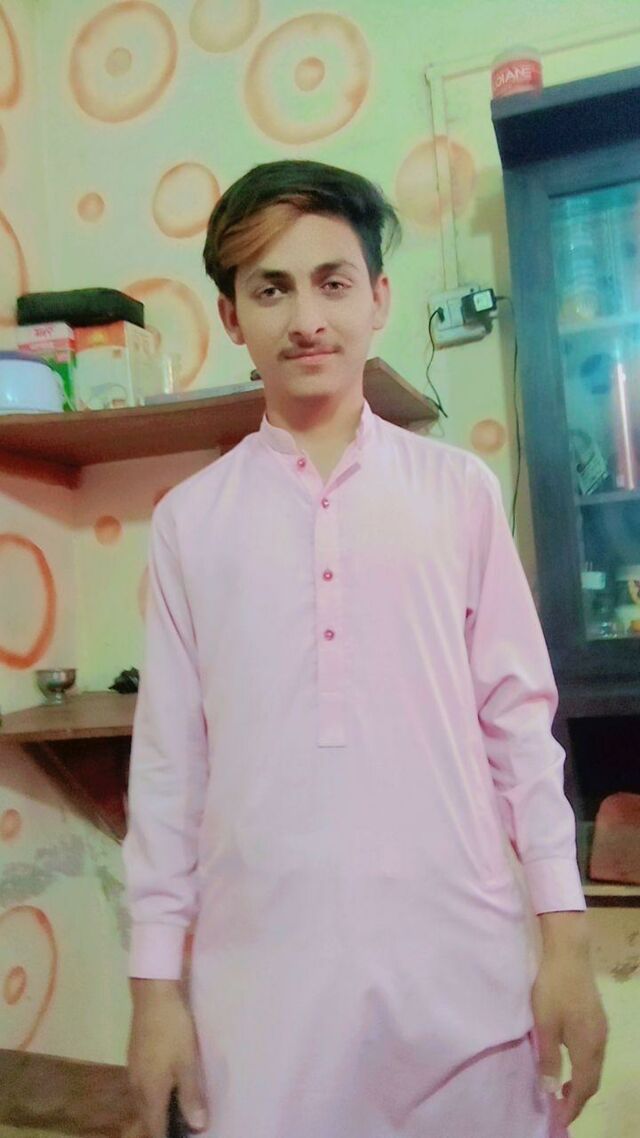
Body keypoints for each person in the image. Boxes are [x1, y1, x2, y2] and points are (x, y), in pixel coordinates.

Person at [123, 159, 607, 1138]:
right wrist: (153, 992)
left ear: (378, 298)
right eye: (271, 289)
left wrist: (564, 942)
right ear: (230, 316)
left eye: (332, 281)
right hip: (263, 991)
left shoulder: (457, 493)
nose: (307, 317)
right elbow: (169, 772)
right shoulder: (190, 524)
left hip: (463, 969)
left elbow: (519, 728)